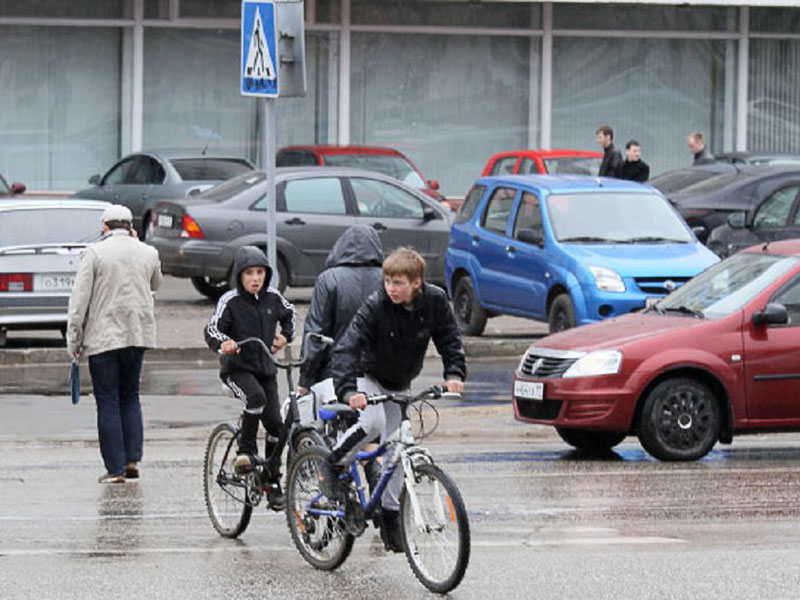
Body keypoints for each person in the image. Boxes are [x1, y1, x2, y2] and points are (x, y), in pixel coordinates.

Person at [322, 247, 467, 552]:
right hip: (367, 373)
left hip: (400, 379)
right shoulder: (376, 305)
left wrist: (454, 373)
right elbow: (346, 348)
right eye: (387, 281)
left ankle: (390, 519)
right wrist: (350, 391)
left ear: (417, 283)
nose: (391, 288)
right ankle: (333, 464)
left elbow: (449, 338)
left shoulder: (436, 301)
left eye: (398, 282)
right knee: (373, 423)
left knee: (398, 447)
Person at [66, 204, 162, 484]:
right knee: (130, 395)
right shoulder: (148, 252)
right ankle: (132, 459)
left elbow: (79, 300)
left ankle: (115, 469)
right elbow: (156, 283)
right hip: (137, 334)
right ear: (130, 226)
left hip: (104, 337)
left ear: (104, 227)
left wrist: (74, 337)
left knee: (107, 401)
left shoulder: (94, 253)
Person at [296, 225, 386, 495]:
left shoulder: (329, 280)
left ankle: (332, 485)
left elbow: (316, 333)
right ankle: (380, 494)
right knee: (374, 433)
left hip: (333, 375)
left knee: (333, 426)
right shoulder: (387, 279)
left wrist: (305, 379)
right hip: (377, 376)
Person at [204, 246, 295, 506]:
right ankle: (245, 453)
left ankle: (271, 476)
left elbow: (291, 316)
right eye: (249, 273)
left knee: (277, 424)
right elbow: (212, 329)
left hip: (265, 368)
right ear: (239, 276)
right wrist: (226, 343)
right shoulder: (230, 301)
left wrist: (285, 336)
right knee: (255, 398)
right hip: (237, 369)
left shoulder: (274, 298)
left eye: (260, 272)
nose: (255, 278)